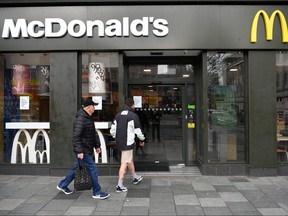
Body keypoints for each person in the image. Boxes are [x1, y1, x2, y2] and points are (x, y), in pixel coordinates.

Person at [57, 98, 110, 200]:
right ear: (89, 107)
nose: (94, 108)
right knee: (93, 169)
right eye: (93, 106)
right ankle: (97, 192)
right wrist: (79, 151)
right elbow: (76, 136)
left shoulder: (88, 118)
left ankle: (62, 185)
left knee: (76, 168)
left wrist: (97, 145)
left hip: (86, 149)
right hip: (83, 150)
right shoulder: (81, 119)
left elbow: (92, 134)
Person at [110, 98, 145, 193]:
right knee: (124, 163)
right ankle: (119, 185)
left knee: (129, 160)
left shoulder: (118, 115)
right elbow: (138, 130)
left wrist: (116, 137)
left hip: (119, 142)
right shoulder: (133, 116)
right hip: (127, 143)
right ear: (132, 105)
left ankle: (135, 177)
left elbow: (112, 129)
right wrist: (142, 139)